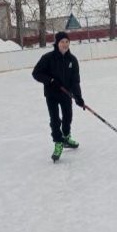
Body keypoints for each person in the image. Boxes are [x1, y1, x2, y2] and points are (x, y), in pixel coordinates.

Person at [32, 31, 85, 162]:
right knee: (55, 120)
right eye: (62, 42)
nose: (65, 44)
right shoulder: (48, 58)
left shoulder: (72, 60)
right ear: (57, 43)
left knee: (68, 117)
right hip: (52, 94)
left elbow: (75, 80)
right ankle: (58, 142)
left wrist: (78, 97)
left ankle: (66, 137)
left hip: (66, 94)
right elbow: (36, 73)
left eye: (67, 42)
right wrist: (50, 81)